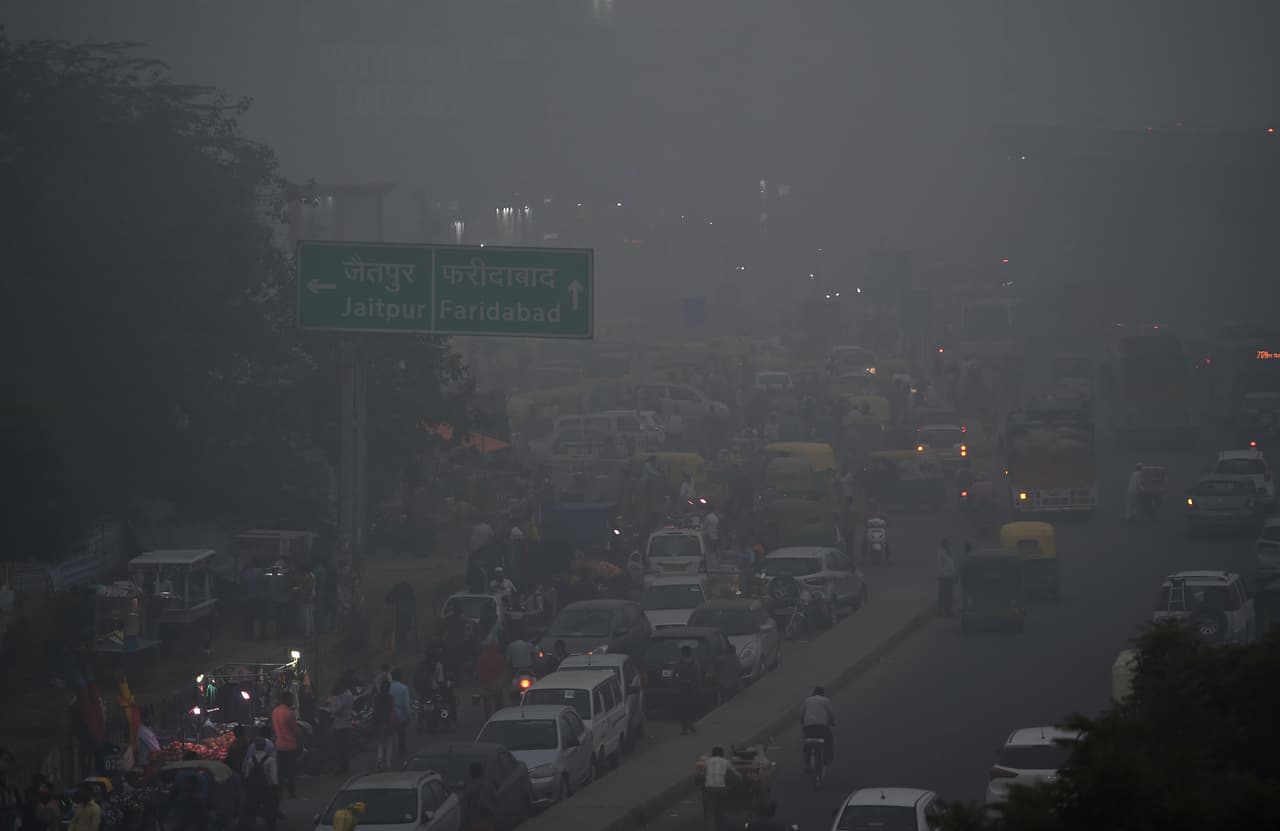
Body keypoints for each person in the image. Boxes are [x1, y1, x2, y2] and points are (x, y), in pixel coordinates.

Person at [240, 737, 278, 831]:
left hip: (254, 788)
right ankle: (270, 824)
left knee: (251, 806)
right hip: (267, 788)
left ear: (255, 747)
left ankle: (250, 822)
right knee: (269, 806)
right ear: (265, 747)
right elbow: (274, 777)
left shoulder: (250, 760)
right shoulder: (270, 760)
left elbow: (247, 775)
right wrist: (275, 788)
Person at [700, 746, 740, 831]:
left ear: (712, 754)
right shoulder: (726, 762)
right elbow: (736, 774)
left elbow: (702, 774)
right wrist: (740, 778)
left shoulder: (707, 761)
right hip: (721, 789)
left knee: (710, 814)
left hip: (709, 790)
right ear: (722, 754)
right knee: (721, 812)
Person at [271, 692, 299, 799]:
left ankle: (280, 792)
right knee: (291, 770)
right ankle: (291, 792)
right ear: (287, 700)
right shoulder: (289, 713)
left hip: (279, 744)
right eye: (291, 699)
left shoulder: (275, 711)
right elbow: (296, 731)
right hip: (290, 745)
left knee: (281, 771)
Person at [800, 686, 836, 767]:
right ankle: (828, 757)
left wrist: (803, 722)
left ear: (813, 693)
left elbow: (801, 715)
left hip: (808, 727)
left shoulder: (807, 700)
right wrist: (833, 722)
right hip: (821, 727)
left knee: (807, 744)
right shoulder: (826, 700)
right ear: (823, 694)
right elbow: (831, 714)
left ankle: (807, 764)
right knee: (828, 739)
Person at [461, 761, 496, 831]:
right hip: (487, 822)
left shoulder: (468, 789)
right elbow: (495, 800)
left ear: (470, 773)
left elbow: (465, 809)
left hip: (473, 823)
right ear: (481, 772)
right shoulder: (488, 785)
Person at [328, 680, 354, 774]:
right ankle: (343, 767)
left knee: (341, 748)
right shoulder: (347, 694)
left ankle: (342, 768)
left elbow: (337, 709)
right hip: (343, 724)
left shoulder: (345, 696)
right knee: (342, 748)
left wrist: (331, 705)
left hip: (342, 725)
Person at [675, 644, 701, 736]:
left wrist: (676, 682)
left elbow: (673, 674)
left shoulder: (679, 662)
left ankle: (684, 729)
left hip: (682, 686)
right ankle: (691, 723)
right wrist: (697, 687)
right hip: (692, 686)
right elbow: (698, 677)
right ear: (691, 653)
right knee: (691, 706)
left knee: (683, 707)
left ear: (683, 653)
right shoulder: (695, 662)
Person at [371, 677, 396, 771]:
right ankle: (388, 764)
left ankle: (379, 761)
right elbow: (393, 711)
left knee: (380, 743)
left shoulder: (376, 698)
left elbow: (374, 711)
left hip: (380, 723)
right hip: (388, 722)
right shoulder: (391, 698)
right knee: (389, 744)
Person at [387, 669, 412, 757]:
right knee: (401, 734)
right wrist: (409, 716)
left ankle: (388, 753)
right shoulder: (403, 688)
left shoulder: (387, 686)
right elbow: (406, 705)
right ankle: (401, 750)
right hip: (400, 716)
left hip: (388, 714)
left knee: (389, 735)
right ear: (400, 677)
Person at [936, 539, 957, 616]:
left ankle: (948, 611)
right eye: (947, 544)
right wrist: (940, 574)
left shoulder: (948, 553)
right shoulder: (941, 553)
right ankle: (940, 612)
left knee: (949, 595)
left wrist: (953, 573)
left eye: (949, 543)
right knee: (943, 595)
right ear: (944, 544)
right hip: (944, 576)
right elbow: (939, 565)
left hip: (950, 576)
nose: (949, 545)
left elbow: (951, 564)